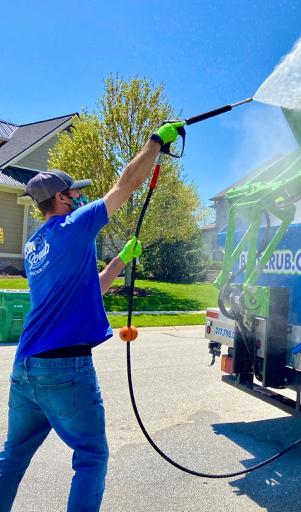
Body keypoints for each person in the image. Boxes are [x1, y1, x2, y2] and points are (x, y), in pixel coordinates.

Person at [0, 122, 178, 512]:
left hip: (26, 365)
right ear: (61, 198)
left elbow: (87, 290)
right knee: (92, 456)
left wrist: (120, 260)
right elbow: (127, 184)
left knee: (12, 456)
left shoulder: (35, 244)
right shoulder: (75, 225)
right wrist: (155, 143)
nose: (82, 196)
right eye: (76, 191)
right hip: (64, 366)